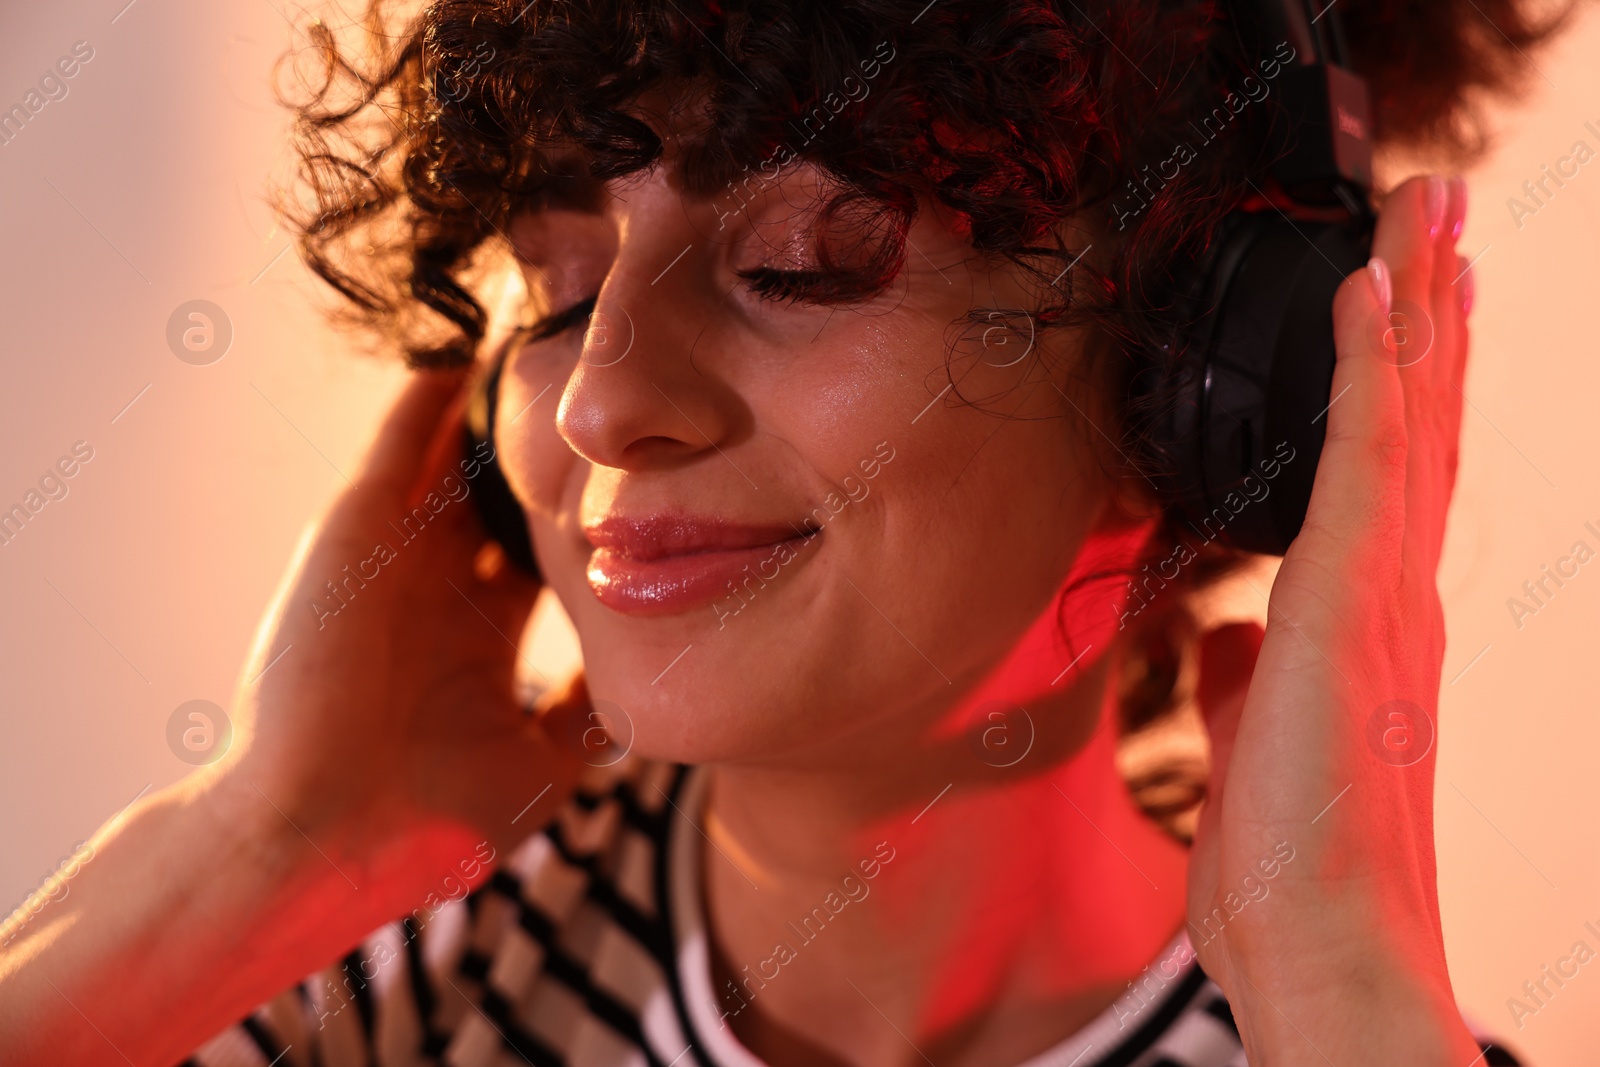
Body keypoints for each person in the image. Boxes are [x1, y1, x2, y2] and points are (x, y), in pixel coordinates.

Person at [0, 0, 1580, 1064]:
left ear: (1202, 381)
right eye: (556, 287)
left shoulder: (1358, 1033)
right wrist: (250, 854)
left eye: (804, 263)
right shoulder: (341, 998)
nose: (596, 406)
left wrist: (1344, 989)